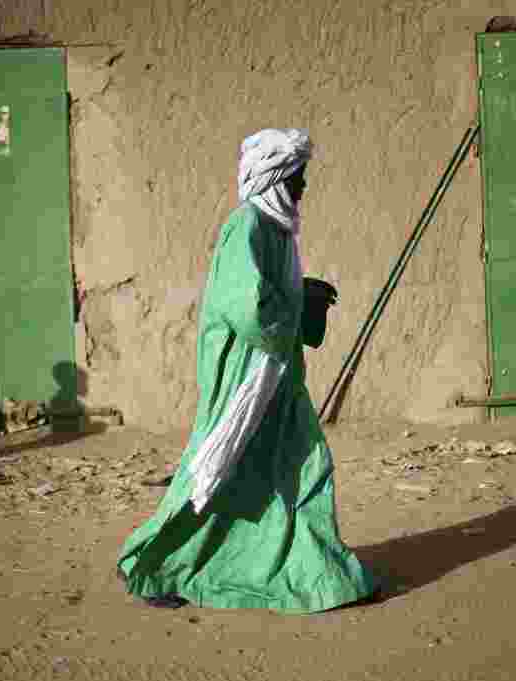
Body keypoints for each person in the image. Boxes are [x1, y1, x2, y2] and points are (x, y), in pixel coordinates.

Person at [116, 128, 378, 613]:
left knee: (301, 467)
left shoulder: (277, 231)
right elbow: (247, 307)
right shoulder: (247, 226)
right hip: (245, 377)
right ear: (275, 178)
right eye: (297, 178)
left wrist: (303, 293)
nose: (303, 187)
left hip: (278, 376)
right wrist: (297, 304)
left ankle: (321, 576)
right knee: (214, 470)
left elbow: (270, 294)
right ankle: (155, 565)